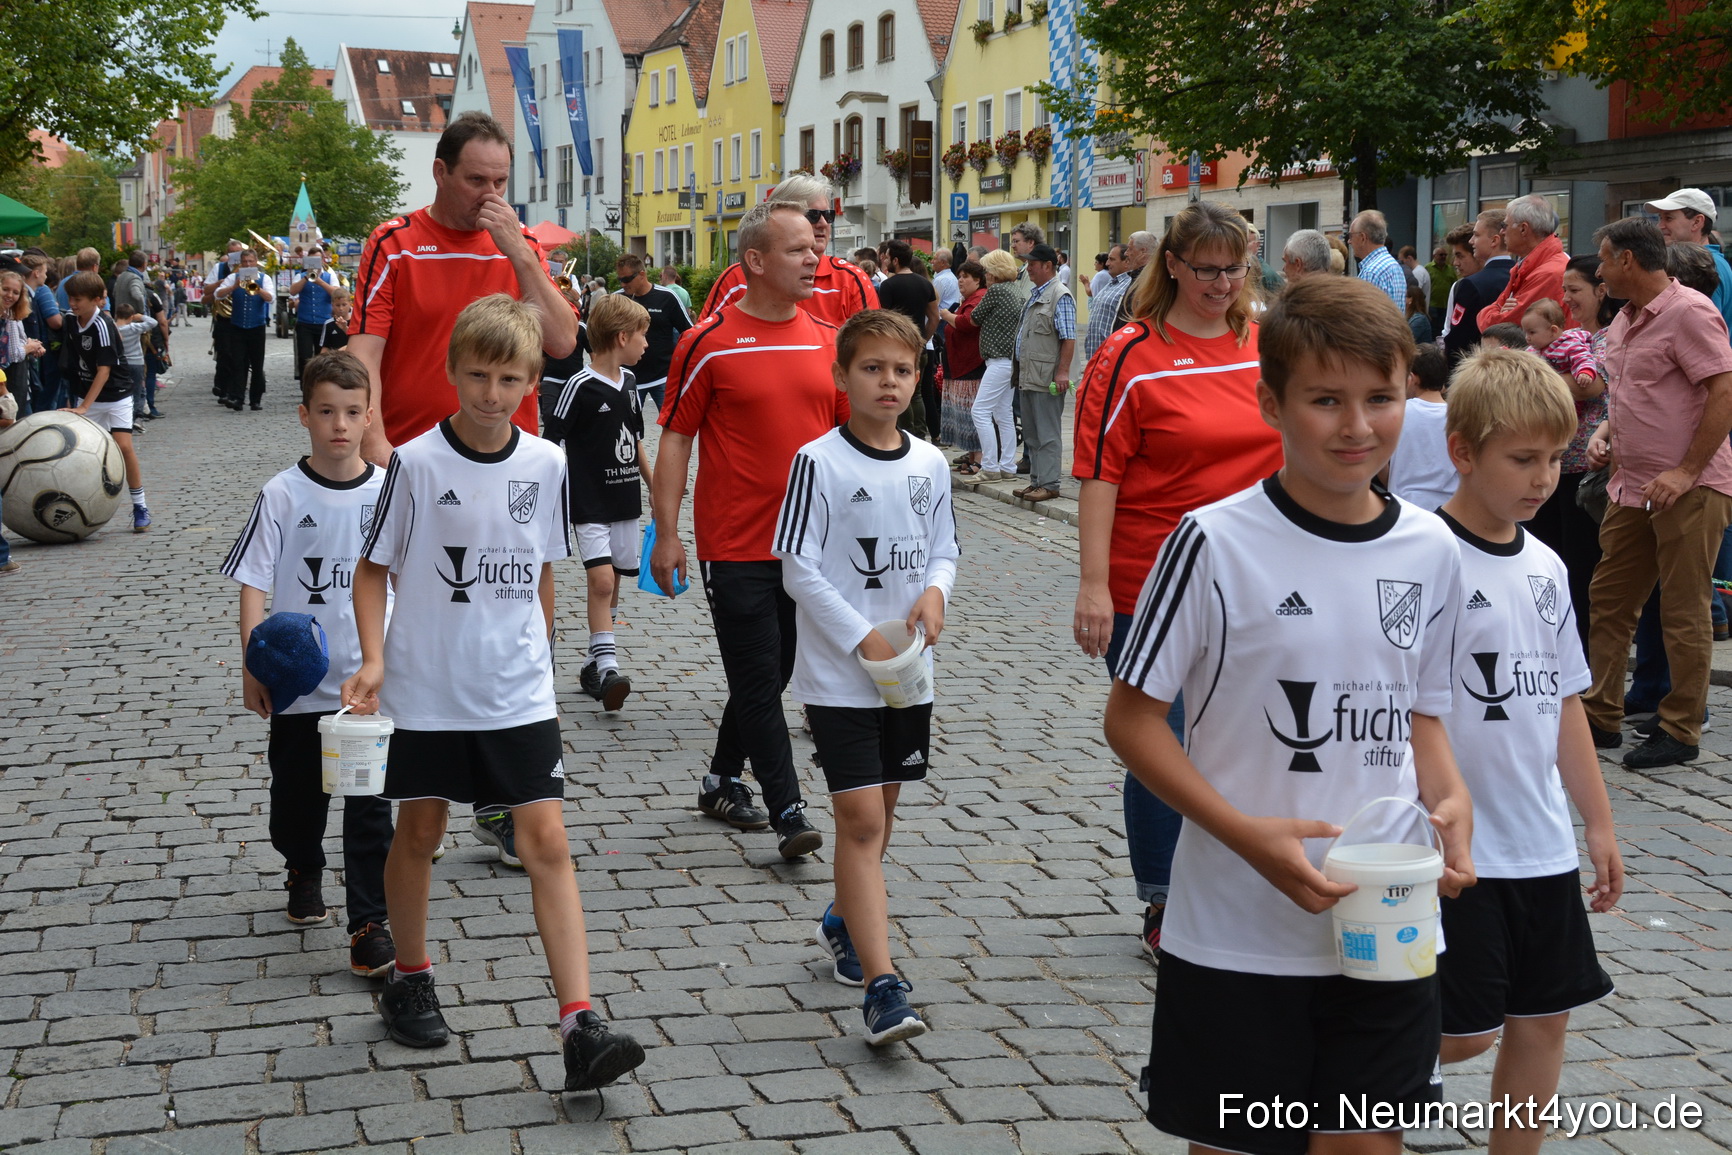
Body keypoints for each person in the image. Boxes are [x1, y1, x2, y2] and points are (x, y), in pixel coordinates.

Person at [1105, 275, 1473, 1155]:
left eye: (1381, 398)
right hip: (1239, 934)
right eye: (1326, 400)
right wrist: (1244, 834)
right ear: (1270, 401)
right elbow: (1132, 720)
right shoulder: (1212, 541)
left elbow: (1423, 708)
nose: (1358, 427)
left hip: (1385, 927)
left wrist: (1451, 799)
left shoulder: (1430, 547)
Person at [341, 295, 646, 1090]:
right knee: (422, 831)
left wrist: (541, 655)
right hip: (430, 687)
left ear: (531, 382)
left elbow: (542, 567)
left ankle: (579, 1021)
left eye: (508, 377)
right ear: (451, 373)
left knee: (547, 843)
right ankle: (410, 975)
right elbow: (372, 570)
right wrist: (373, 660)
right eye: (476, 375)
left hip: (516, 690)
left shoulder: (546, 464)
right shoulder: (413, 462)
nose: (489, 392)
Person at [1072, 201, 1284, 959]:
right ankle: (1164, 898)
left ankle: (1236, 878)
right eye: (1207, 269)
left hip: (1257, 577)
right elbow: (1098, 474)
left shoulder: (1264, 341)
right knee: (1163, 739)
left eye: (1234, 269)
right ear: (1173, 266)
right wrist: (1093, 585)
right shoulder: (1130, 353)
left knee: (1246, 734)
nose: (1222, 283)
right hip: (1152, 581)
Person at [1434, 348, 1621, 1155]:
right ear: (1464, 452)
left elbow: (1566, 700)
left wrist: (1599, 824)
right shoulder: (1422, 556)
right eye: (1523, 458)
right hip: (1455, 847)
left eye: (1554, 456)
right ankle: (1327, 1098)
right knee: (1460, 1033)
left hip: (1538, 840)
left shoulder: (1546, 564)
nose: (1544, 477)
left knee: (1544, 1018)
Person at [773, 308, 959, 1045]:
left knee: (882, 815)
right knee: (860, 821)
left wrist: (937, 591)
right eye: (873, 368)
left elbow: (943, 546)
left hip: (909, 674)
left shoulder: (930, 463)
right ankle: (884, 987)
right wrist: (859, 638)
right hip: (839, 676)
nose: (889, 382)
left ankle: (845, 916)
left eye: (902, 370)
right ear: (842, 375)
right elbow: (797, 567)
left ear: (918, 378)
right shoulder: (819, 461)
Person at [650, 199, 847, 859]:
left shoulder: (826, 336)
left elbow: (850, 440)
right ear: (756, 261)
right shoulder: (706, 342)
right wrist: (668, 533)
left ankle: (719, 779)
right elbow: (676, 439)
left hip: (811, 546)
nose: (813, 258)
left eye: (813, 249)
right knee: (760, 675)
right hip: (736, 543)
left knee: (774, 670)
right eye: (797, 250)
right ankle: (790, 809)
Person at [221, 351, 396, 977]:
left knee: (370, 806)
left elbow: (410, 579)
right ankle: (302, 865)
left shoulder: (388, 491)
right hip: (300, 686)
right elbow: (252, 581)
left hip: (368, 683)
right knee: (297, 798)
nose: (340, 426)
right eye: (326, 412)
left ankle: (369, 922)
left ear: (369, 414)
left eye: (352, 413)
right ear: (305, 416)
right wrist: (254, 665)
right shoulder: (282, 493)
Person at [1583, 217, 1732, 769]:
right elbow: (1627, 396)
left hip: (1688, 487)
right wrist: (1603, 436)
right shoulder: (1623, 319)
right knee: (1611, 601)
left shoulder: (1688, 311)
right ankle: (1601, 716)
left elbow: (1724, 389)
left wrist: (1687, 470)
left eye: (1602, 259)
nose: (1596, 270)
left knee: (1684, 609)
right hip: (1631, 486)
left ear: (1628, 261)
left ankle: (1681, 729)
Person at [349, 111, 579, 468]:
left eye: (500, 182)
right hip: (411, 453)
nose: (491, 195)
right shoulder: (395, 244)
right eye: (476, 180)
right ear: (441, 172)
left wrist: (518, 252)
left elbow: (563, 342)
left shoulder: (523, 245)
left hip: (506, 460)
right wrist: (374, 442)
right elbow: (363, 355)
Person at [542, 293, 655, 714]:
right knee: (601, 582)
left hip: (624, 499)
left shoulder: (629, 383)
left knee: (615, 584)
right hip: (588, 501)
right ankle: (608, 667)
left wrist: (656, 485)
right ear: (622, 336)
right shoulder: (578, 386)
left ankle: (592, 664)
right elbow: (551, 442)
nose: (648, 344)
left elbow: (637, 440)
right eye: (643, 336)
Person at [702, 174, 875, 325]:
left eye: (828, 215)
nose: (823, 223)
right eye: (812, 215)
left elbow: (874, 348)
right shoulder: (737, 278)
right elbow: (706, 341)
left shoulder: (850, 280)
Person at [60, 272, 151, 531]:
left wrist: (84, 408)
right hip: (86, 394)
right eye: (70, 298)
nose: (73, 304)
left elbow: (104, 370)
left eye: (78, 299)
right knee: (81, 453)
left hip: (116, 394)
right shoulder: (70, 320)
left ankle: (140, 505)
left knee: (123, 447)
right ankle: (80, 505)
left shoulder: (103, 325)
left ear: (98, 300)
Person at [1011, 243, 1075, 504]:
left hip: (1046, 377)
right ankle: (1036, 481)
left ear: (1048, 266)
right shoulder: (1037, 293)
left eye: (1032, 265)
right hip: (1029, 375)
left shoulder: (1060, 295)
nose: (1028, 269)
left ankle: (1049, 484)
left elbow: (1068, 338)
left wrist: (1062, 373)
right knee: (1033, 434)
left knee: (1047, 434)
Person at [1478, 194, 1572, 332]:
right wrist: (1498, 309)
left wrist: (1493, 311)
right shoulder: (1532, 265)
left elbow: (1499, 328)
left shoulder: (1549, 273)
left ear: (1523, 229)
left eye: (1505, 225)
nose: (1502, 231)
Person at [967, 251, 1023, 480]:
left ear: (995, 272)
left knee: (979, 411)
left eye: (987, 271)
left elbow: (974, 318)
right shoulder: (1016, 289)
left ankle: (990, 466)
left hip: (998, 360)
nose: (986, 275)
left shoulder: (997, 291)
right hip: (1011, 360)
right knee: (1004, 413)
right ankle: (1008, 466)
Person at [1648, 187, 1732, 339]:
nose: (1660, 226)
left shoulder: (1705, 265)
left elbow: (1703, 333)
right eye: (1660, 218)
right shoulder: (1713, 261)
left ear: (1697, 222)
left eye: (1669, 218)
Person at [875, 238, 939, 437]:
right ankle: (920, 435)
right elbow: (934, 317)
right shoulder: (925, 284)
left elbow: (883, 317)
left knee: (898, 392)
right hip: (918, 346)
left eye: (886, 258)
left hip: (895, 346)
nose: (884, 262)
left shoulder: (888, 286)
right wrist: (922, 339)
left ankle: (905, 434)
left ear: (895, 261)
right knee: (916, 394)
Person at [614, 252, 691, 415]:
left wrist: (682, 364)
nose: (623, 284)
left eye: (627, 279)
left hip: (663, 376)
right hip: (628, 377)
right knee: (627, 431)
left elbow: (689, 332)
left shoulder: (667, 297)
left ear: (642, 275)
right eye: (619, 279)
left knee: (673, 426)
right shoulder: (618, 300)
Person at [1386, 344, 1454, 512]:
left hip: (1403, 506)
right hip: (1448, 510)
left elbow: (1380, 462)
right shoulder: (1459, 416)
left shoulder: (1398, 412)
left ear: (1413, 378)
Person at [1444, 209, 1514, 364]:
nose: (1471, 241)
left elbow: (1458, 340)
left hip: (1478, 370)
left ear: (1494, 240)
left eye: (1476, 235)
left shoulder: (1470, 285)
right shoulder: (1522, 276)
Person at [938, 259, 987, 472]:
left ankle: (979, 456)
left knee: (971, 412)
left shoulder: (979, 297)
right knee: (960, 413)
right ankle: (970, 452)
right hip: (957, 363)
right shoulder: (966, 298)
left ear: (978, 280)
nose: (960, 280)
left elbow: (966, 324)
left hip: (971, 364)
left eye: (965, 276)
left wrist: (948, 316)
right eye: (959, 276)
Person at [213, 249, 273, 411]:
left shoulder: (264, 278)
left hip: (257, 327)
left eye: (250, 262)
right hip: (237, 326)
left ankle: (256, 399)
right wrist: (233, 287)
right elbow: (218, 294)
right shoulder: (233, 277)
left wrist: (257, 288)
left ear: (256, 262)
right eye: (245, 262)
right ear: (240, 263)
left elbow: (270, 298)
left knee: (257, 364)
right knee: (238, 363)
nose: (247, 264)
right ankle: (238, 398)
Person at [291, 248, 342, 381]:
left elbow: (337, 294)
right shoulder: (300, 276)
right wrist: (306, 278)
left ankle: (322, 384)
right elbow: (292, 291)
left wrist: (320, 281)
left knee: (324, 358)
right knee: (305, 357)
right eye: (311, 260)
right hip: (305, 323)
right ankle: (305, 387)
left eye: (317, 260)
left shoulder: (329, 276)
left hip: (324, 323)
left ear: (322, 260)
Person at [1082, 244, 1131, 362]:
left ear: (1126, 262)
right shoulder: (1112, 283)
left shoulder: (1129, 287)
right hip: (1096, 357)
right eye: (1108, 259)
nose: (1107, 263)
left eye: (1112, 259)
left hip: (1110, 359)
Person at [1349, 210, 1406, 307]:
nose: (1349, 241)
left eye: (1351, 236)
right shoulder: (1394, 266)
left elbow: (1364, 318)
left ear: (1363, 238)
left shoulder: (1371, 273)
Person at [1426, 244, 1458, 331]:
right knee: (1433, 328)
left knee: (1443, 327)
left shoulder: (1450, 269)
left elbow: (1454, 285)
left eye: (1445, 255)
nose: (1443, 257)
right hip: (1432, 304)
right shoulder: (1428, 268)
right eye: (1441, 255)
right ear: (1434, 256)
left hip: (1446, 305)